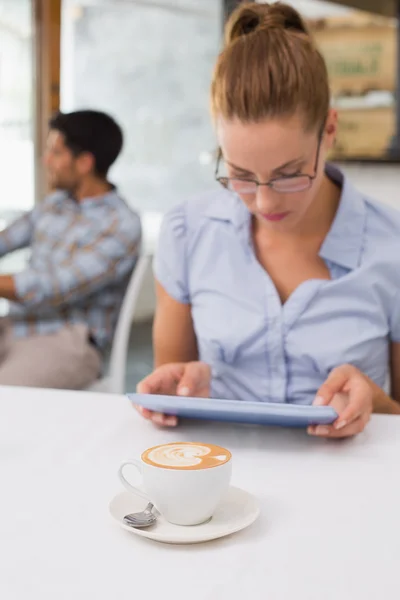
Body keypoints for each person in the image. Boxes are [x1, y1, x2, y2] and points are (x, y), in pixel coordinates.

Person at [136, 2, 400, 437]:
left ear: (329, 130)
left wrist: (375, 402)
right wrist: (183, 385)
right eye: (239, 175)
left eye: (290, 174)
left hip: (352, 486)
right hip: (223, 482)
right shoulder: (188, 231)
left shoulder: (389, 244)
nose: (262, 201)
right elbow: (172, 387)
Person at [0, 109, 141, 389]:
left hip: (68, 341)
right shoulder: (54, 204)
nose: (46, 160)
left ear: (84, 162)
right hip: (15, 326)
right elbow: (6, 239)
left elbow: (49, 288)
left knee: (6, 401)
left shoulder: (121, 225)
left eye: (56, 152)